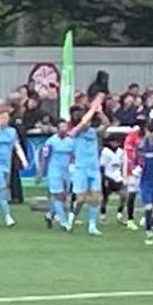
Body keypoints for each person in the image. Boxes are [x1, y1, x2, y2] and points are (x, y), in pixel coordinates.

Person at [0, 108, 26, 227]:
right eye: (1, 118)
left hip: (6, 164)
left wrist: (23, 160)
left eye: (6, 118)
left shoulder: (12, 132)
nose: (4, 120)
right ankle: (7, 216)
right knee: (2, 189)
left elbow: (16, 146)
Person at [69, 98, 105, 236]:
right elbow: (83, 123)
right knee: (80, 199)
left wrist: (100, 112)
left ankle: (92, 225)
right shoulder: (75, 132)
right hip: (81, 168)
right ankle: (72, 217)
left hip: (94, 168)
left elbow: (106, 124)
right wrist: (92, 108)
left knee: (95, 198)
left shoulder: (93, 132)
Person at [40, 118, 75, 231]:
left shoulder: (71, 141)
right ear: (57, 129)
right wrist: (40, 171)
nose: (64, 130)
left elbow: (73, 156)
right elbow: (44, 157)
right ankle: (63, 221)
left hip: (66, 171)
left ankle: (49, 215)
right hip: (54, 170)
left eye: (65, 127)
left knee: (63, 196)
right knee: (57, 196)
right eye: (61, 128)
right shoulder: (50, 142)